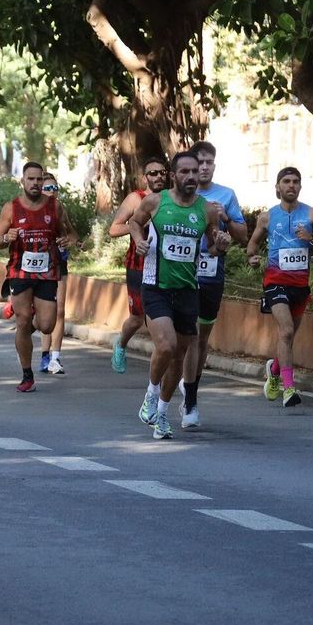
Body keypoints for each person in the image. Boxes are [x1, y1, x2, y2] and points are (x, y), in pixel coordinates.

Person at [126, 151, 231, 439]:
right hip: (156, 285)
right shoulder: (156, 202)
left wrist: (221, 244)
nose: (191, 177)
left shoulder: (207, 210)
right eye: (184, 171)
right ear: (173, 175)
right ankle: (150, 392)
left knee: (180, 355)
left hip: (188, 288)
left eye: (195, 171)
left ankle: (161, 414)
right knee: (168, 345)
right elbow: (134, 223)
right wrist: (138, 240)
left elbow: (210, 248)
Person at [246, 167, 313, 410]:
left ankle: (274, 370)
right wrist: (252, 259)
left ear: (300, 186)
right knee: (285, 331)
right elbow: (251, 246)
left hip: (300, 285)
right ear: (277, 187)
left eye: (296, 181)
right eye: (286, 181)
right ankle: (288, 388)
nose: (291, 185)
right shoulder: (267, 217)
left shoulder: (311, 214)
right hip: (275, 281)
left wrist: (311, 238)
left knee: (289, 336)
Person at [178, 141, 247, 428]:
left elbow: (243, 236)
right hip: (183, 273)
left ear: (213, 166)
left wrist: (226, 218)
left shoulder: (226, 195)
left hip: (211, 272)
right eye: (199, 163)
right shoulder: (181, 196)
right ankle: (190, 400)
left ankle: (189, 382)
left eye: (208, 163)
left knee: (202, 338)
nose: (203, 168)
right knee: (190, 336)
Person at [0, 161, 76, 392]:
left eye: (39, 179)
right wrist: (6, 238)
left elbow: (70, 232)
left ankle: (24, 329)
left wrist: (70, 240)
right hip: (19, 271)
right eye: (31, 179)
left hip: (47, 272)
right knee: (23, 319)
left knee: (47, 325)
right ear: (23, 181)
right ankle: (27, 375)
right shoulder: (11, 208)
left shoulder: (54, 207)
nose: (36, 183)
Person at [107, 156, 169, 374]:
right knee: (137, 318)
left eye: (162, 172)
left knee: (161, 318)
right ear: (145, 178)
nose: (159, 176)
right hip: (138, 265)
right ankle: (121, 343)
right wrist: (141, 222)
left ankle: (161, 368)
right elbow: (114, 229)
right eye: (153, 173)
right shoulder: (136, 198)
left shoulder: (172, 199)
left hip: (165, 267)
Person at [38, 172, 70, 375]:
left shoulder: (61, 210)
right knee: (44, 312)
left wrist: (68, 240)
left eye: (54, 188)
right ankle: (44, 354)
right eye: (47, 188)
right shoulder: (32, 211)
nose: (52, 192)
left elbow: (70, 233)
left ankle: (55, 358)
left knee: (59, 310)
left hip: (59, 264)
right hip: (39, 267)